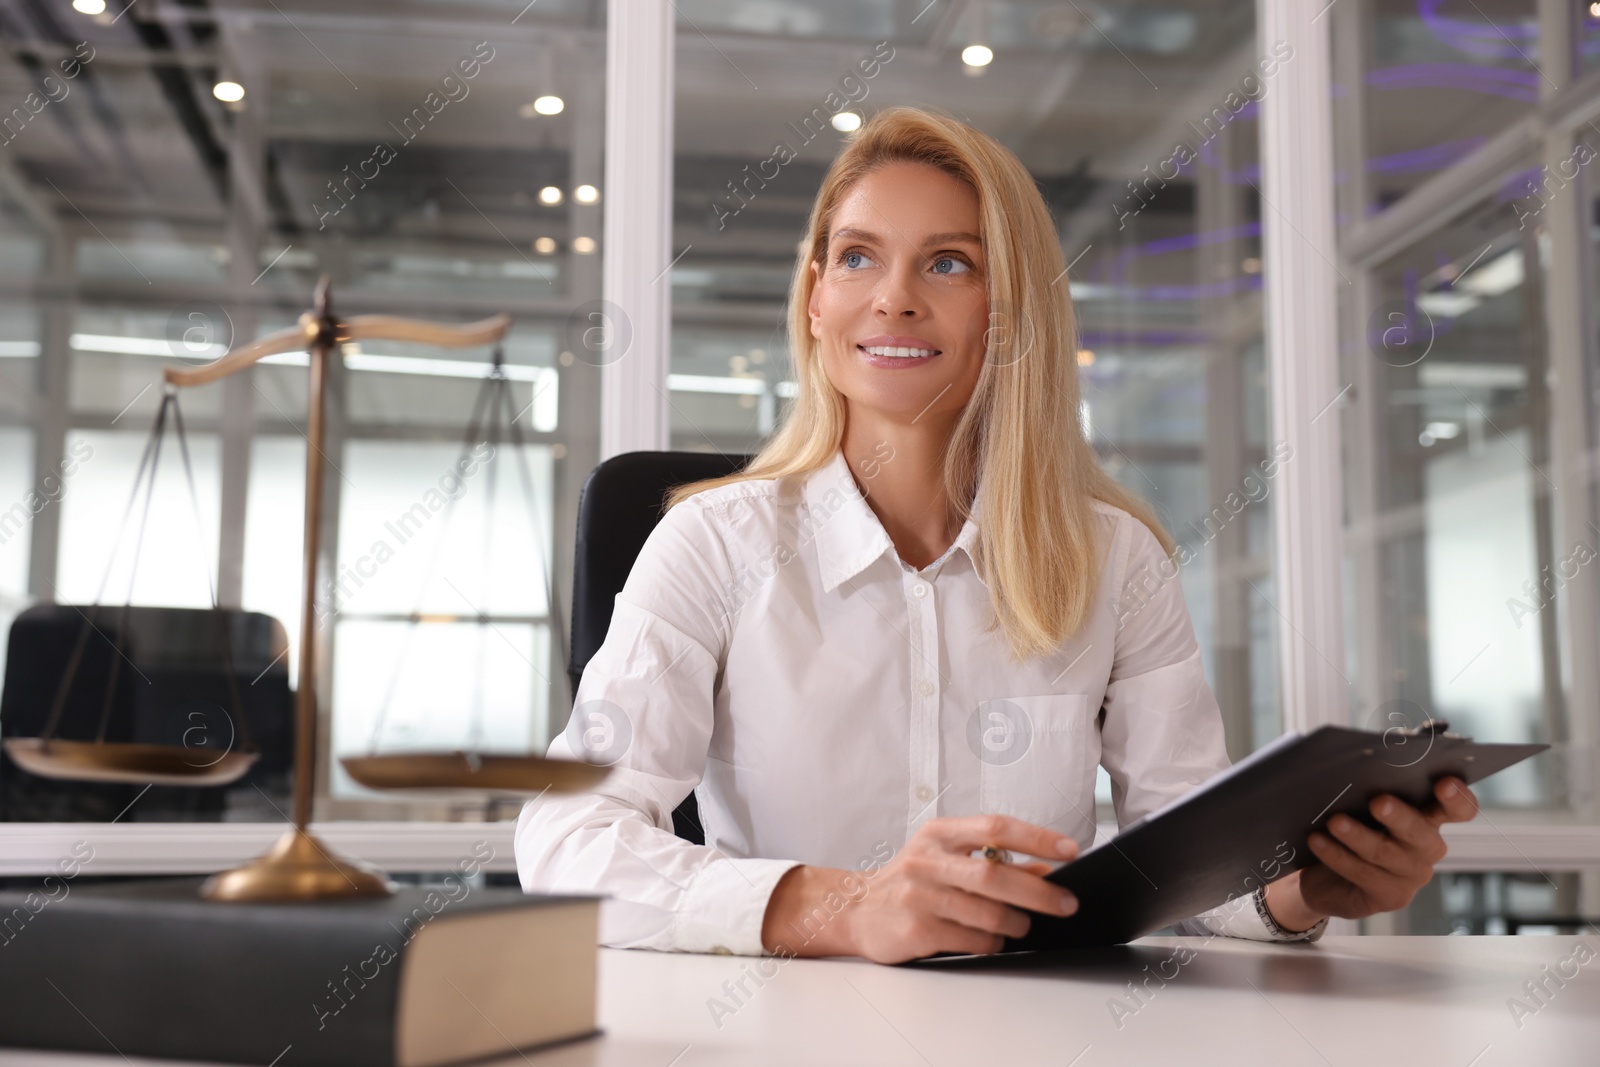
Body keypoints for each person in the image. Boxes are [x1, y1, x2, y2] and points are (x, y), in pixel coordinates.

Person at [515, 106, 1479, 964]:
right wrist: (843, 905)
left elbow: (1186, 861)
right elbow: (565, 839)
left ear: (1009, 310)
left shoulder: (1116, 560)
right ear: (816, 299)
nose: (893, 296)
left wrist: (1307, 888)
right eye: (857, 256)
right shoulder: (710, 545)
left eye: (948, 262)